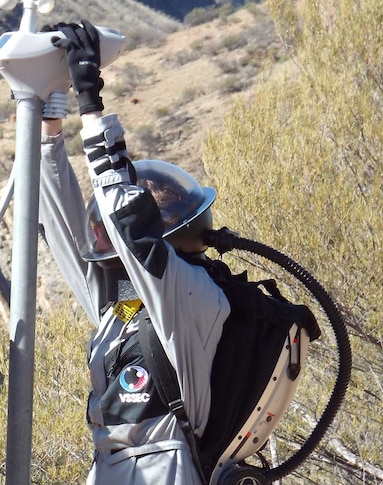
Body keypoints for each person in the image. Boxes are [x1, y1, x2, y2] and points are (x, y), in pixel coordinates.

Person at [37, 20, 231, 484]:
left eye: (107, 229)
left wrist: (92, 103)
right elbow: (64, 223)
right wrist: (50, 107)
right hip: (111, 467)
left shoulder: (188, 295)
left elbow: (126, 222)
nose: (98, 235)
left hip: (167, 466)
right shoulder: (122, 304)